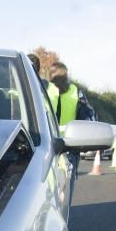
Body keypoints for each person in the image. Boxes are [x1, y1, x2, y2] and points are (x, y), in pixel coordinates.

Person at [46, 62, 93, 202]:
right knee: (65, 196)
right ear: (66, 75)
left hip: (46, 144)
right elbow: (89, 117)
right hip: (69, 145)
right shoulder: (75, 91)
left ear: (50, 74)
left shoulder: (43, 88)